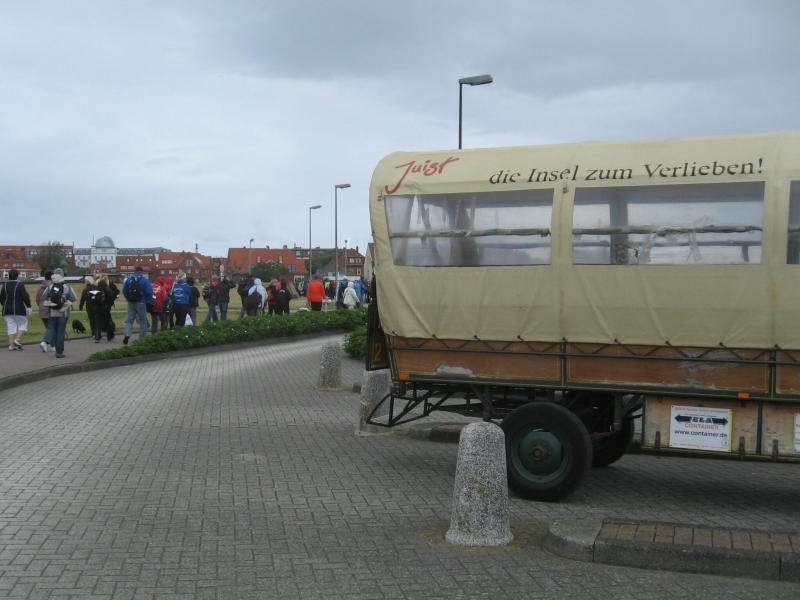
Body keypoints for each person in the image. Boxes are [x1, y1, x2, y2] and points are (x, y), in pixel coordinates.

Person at [42, 268, 76, 358]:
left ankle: (46, 341)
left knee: (53, 329)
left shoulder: (50, 286)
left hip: (52, 312)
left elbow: (43, 297)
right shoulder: (66, 286)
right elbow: (74, 297)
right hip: (63, 313)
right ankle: (59, 352)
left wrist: (50, 302)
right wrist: (65, 303)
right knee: (60, 332)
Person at [1, 268, 32, 351]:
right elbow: (25, 296)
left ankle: (11, 346)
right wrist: (29, 306)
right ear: (17, 276)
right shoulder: (20, 285)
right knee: (24, 323)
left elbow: (2, 298)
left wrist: (5, 305)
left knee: (11, 326)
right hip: (18, 309)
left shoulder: (4, 285)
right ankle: (17, 340)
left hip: (6, 310)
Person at [122, 266, 153, 345]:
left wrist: (128, 298)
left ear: (135, 271)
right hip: (141, 302)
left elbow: (124, 290)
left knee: (129, 320)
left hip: (131, 302)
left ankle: (127, 334)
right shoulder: (144, 280)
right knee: (143, 320)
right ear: (142, 272)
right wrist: (147, 299)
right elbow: (149, 292)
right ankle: (141, 339)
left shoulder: (129, 279)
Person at [91, 274, 119, 342]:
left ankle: (97, 337)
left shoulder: (95, 287)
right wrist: (110, 303)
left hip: (97, 308)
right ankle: (110, 337)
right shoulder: (107, 287)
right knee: (107, 322)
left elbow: (91, 297)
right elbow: (112, 296)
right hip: (106, 308)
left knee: (97, 323)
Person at [35, 270, 53, 351]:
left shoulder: (40, 287)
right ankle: (45, 342)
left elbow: (37, 299)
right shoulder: (52, 287)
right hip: (50, 310)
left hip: (42, 310)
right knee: (52, 328)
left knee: (49, 328)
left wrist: (41, 306)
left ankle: (52, 345)